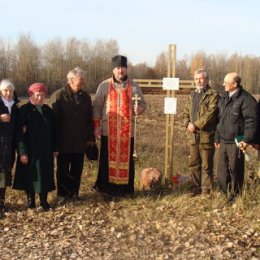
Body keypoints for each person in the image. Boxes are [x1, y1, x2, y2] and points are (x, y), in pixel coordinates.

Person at [93, 55, 146, 197]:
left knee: (127, 161)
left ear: (126, 69)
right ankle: (105, 189)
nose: (120, 70)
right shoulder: (104, 86)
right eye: (118, 68)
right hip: (107, 130)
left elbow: (142, 104)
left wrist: (139, 109)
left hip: (127, 132)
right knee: (106, 160)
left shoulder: (134, 87)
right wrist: (96, 126)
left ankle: (125, 190)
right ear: (113, 69)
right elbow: (97, 107)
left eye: (123, 68)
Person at [49, 67, 95, 204]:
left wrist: (91, 138)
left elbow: (89, 119)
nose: (83, 83)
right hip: (63, 141)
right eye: (81, 80)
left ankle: (74, 193)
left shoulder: (86, 97)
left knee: (77, 169)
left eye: (83, 80)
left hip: (80, 141)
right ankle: (62, 195)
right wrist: (54, 142)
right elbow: (52, 121)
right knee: (62, 170)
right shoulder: (58, 95)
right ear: (70, 80)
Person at [13, 83, 58, 211]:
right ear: (31, 95)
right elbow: (19, 134)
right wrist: (22, 152)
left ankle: (44, 201)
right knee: (30, 176)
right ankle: (31, 201)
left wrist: (55, 148)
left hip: (46, 150)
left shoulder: (48, 111)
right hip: (30, 150)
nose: (40, 98)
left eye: (42, 95)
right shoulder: (24, 110)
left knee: (45, 175)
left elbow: (54, 131)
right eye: (37, 95)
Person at [214, 72, 258, 203]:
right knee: (222, 170)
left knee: (236, 170)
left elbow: (252, 121)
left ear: (234, 84)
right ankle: (224, 193)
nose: (223, 84)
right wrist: (217, 137)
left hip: (237, 142)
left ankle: (235, 195)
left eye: (226, 82)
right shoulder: (224, 98)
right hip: (223, 141)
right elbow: (220, 120)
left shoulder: (247, 99)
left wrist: (246, 140)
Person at [183, 68, 219, 196]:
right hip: (192, 136)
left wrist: (196, 125)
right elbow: (186, 111)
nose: (199, 81)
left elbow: (211, 114)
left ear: (207, 79)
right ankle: (195, 187)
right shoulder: (192, 94)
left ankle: (206, 190)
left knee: (206, 165)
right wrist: (187, 123)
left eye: (201, 78)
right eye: (196, 79)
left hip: (206, 136)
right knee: (193, 163)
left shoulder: (213, 95)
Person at [0, 79, 19, 218]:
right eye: (6, 90)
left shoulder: (15, 107)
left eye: (11, 91)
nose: (8, 93)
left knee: (5, 174)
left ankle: (2, 203)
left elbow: (19, 124)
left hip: (9, 146)